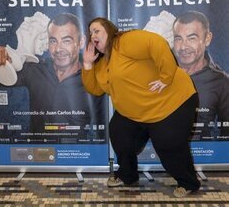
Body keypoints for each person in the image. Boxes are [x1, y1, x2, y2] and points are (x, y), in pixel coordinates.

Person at [81, 17, 200, 198]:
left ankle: (188, 182)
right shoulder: (103, 63)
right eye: (90, 33)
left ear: (109, 30)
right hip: (135, 113)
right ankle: (127, 176)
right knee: (119, 133)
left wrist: (166, 77)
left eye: (96, 30)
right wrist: (88, 64)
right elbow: (95, 89)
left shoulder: (125, 42)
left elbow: (156, 43)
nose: (93, 35)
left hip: (171, 103)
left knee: (168, 144)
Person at [0, 13, 107, 143]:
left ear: (81, 42)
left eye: (66, 40)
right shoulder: (35, 68)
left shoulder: (95, 74)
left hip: (78, 154)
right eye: (53, 41)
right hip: (39, 153)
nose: (58, 49)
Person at [172, 10, 229, 140]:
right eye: (178, 39)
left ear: (207, 39)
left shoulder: (222, 82)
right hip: (162, 156)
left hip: (204, 156)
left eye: (191, 38)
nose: (183, 47)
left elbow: (227, 135)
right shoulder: (160, 75)